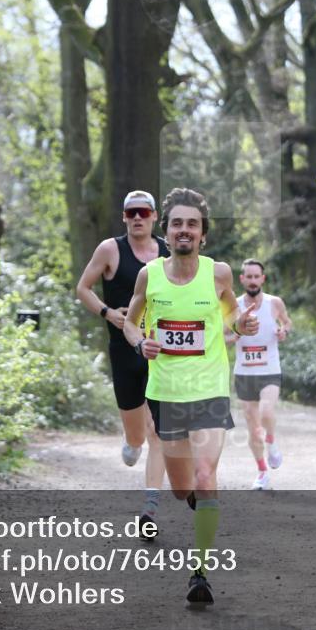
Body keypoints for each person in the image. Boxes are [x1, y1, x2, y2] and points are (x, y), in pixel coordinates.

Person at [124, 187, 259, 606]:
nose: (185, 230)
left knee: (205, 475)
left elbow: (232, 314)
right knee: (184, 490)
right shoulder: (150, 276)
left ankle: (199, 572)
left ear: (203, 235)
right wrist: (138, 343)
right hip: (165, 393)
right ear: (166, 230)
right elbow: (131, 322)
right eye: (178, 223)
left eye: (193, 225)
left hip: (209, 390)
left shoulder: (218, 274)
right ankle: (199, 504)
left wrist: (243, 325)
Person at [76, 190, 169, 538]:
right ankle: (131, 444)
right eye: (131, 213)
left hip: (159, 351)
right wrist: (107, 312)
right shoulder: (110, 250)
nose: (137, 218)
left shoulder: (166, 252)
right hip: (123, 350)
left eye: (144, 212)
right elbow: (82, 288)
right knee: (137, 436)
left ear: (155, 216)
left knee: (158, 431)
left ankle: (149, 507)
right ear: (124, 217)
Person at [224, 259, 292, 490]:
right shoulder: (234, 306)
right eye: (248, 277)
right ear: (242, 279)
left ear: (263, 279)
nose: (253, 281)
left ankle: (271, 442)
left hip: (269, 370)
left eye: (257, 276)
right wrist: (232, 338)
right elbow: (220, 336)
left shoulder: (274, 303)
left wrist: (284, 331)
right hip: (244, 373)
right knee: (253, 429)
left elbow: (287, 322)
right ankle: (262, 471)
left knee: (266, 410)